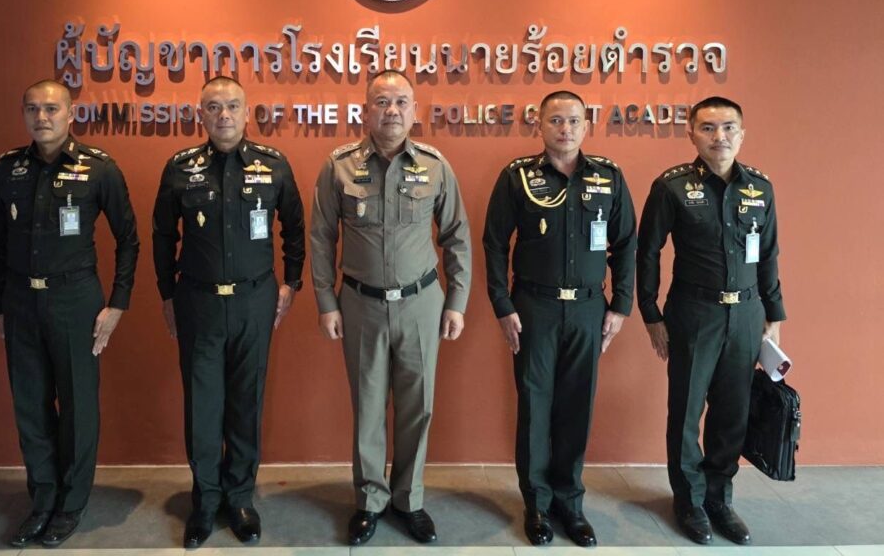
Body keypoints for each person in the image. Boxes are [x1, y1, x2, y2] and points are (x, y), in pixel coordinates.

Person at [310, 70, 472, 546]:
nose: (392, 110)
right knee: (367, 407)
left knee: (418, 407)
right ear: (366, 110)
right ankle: (370, 501)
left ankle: (409, 499)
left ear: (414, 111)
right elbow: (321, 238)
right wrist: (326, 301)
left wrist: (457, 302)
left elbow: (457, 236)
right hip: (360, 303)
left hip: (422, 303)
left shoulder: (435, 166)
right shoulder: (339, 166)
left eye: (401, 101)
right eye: (382, 102)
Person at [0, 79, 139, 548]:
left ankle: (70, 503)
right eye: (33, 109)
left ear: (72, 114)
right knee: (30, 406)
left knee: (77, 408)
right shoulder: (5, 170)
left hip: (76, 301)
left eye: (51, 109)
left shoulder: (99, 168)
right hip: (20, 301)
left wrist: (118, 303)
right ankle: (43, 499)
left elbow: (128, 239)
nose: (42, 117)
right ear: (24, 115)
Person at [152, 76, 305, 549]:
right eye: (214, 107)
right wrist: (167, 295)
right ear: (201, 114)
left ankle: (239, 497)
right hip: (197, 302)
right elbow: (163, 236)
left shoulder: (273, 164)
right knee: (202, 407)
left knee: (245, 402)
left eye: (232, 106)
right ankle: (204, 501)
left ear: (246, 111)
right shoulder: (180, 167)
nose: (223, 115)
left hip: (253, 301)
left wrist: (292, 283)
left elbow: (295, 228)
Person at [482, 90, 636, 548]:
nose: (565, 129)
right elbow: (494, 243)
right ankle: (536, 503)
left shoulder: (608, 177)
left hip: (589, 308)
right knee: (534, 406)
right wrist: (502, 304)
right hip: (535, 307)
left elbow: (626, 243)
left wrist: (621, 305)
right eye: (555, 120)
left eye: (573, 120)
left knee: (576, 406)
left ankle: (570, 503)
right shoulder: (517, 177)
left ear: (586, 126)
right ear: (539, 125)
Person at [637, 96, 785, 546]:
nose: (719, 136)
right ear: (691, 134)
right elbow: (647, 253)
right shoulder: (672, 187)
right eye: (708, 128)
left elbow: (769, 255)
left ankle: (719, 499)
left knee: (732, 412)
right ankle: (689, 501)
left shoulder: (760, 187)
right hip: (693, 313)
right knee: (686, 410)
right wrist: (651, 313)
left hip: (747, 314)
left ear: (741, 134)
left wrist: (774, 315)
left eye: (728, 128)